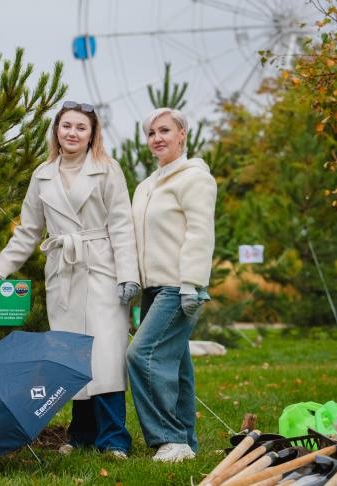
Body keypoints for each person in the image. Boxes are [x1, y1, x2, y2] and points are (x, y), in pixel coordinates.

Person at [0, 101, 140, 459]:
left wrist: (128, 275)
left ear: (92, 134)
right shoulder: (43, 174)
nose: (72, 133)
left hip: (102, 267)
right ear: (56, 130)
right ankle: (82, 433)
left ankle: (114, 438)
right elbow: (28, 231)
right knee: (72, 355)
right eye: (66, 126)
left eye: (80, 128)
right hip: (63, 271)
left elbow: (121, 224)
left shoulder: (107, 169)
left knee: (105, 353)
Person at [127, 107, 217, 463]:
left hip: (179, 287)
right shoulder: (147, 185)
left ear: (182, 135)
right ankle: (186, 441)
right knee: (177, 364)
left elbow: (200, 232)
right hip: (152, 288)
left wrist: (192, 283)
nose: (157, 138)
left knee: (141, 355)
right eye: (151, 133)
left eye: (164, 130)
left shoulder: (194, 178)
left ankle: (168, 437)